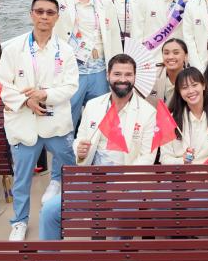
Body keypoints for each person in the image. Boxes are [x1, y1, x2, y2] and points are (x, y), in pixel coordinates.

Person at [0, 0, 119, 133]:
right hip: (70, 72)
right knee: (67, 119)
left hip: (99, 70)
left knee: (101, 119)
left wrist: (115, 69)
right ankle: (68, 150)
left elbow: (114, 39)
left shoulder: (104, 2)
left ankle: (95, 151)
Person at [39, 53, 157, 240]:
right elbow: (80, 138)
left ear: (135, 77)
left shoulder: (148, 113)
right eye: (117, 74)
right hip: (92, 179)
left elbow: (147, 158)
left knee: (122, 217)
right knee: (50, 211)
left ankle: (120, 256)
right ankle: (50, 259)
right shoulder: (93, 106)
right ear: (107, 76)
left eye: (128, 74)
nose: (123, 79)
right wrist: (80, 150)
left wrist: (119, 185)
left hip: (128, 183)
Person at [0, 0, 79, 241]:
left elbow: (71, 86)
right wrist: (26, 101)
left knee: (70, 167)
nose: (44, 16)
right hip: (24, 124)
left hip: (55, 123)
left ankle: (70, 207)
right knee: (21, 179)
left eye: (50, 12)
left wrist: (45, 95)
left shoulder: (66, 51)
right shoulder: (13, 49)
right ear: (31, 14)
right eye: (40, 11)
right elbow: (2, 85)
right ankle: (19, 221)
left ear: (57, 17)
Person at [159, 67, 208, 165]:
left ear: (203, 85)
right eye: (184, 87)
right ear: (179, 92)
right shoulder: (170, 120)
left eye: (194, 85)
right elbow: (164, 158)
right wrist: (182, 161)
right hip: (180, 173)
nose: (191, 91)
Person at [149, 38, 188, 105]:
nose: (170, 57)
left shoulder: (193, 78)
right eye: (166, 53)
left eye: (176, 53)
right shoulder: (152, 76)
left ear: (186, 56)